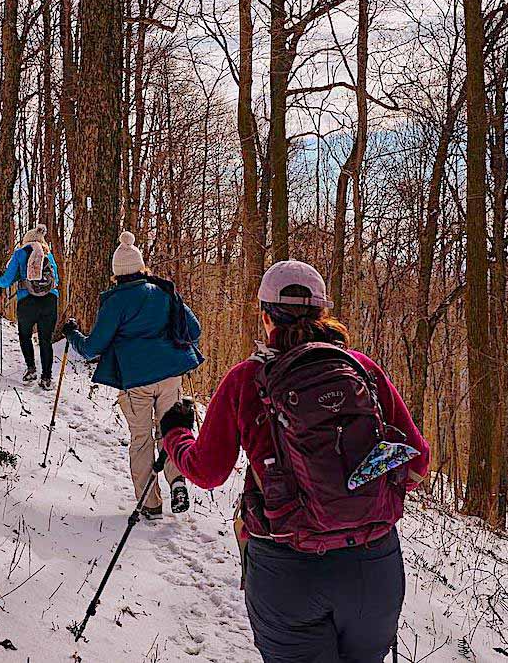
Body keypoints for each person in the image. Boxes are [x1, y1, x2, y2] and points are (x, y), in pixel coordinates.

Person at [160, 260, 430, 663]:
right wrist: (355, 490)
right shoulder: (362, 370)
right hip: (372, 566)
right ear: (323, 314)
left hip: (287, 565)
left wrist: (176, 435)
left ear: (265, 316)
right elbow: (417, 463)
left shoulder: (245, 380)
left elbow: (207, 471)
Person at [62, 232, 204, 518]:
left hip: (135, 381)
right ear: (141, 267)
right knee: (172, 432)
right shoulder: (164, 292)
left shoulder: (116, 302)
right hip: (170, 375)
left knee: (141, 440)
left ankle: (151, 505)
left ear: (116, 274)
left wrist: (72, 334)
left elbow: (92, 348)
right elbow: (195, 329)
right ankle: (177, 480)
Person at [0, 224, 60, 390]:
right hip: (50, 300)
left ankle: (31, 369)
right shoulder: (49, 255)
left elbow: (7, 279)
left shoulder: (20, 254)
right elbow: (57, 280)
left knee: (25, 335)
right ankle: (46, 378)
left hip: (27, 301)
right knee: (46, 340)